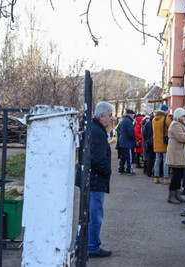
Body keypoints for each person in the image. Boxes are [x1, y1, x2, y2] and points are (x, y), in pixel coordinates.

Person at [76, 101, 115, 257]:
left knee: (87, 215)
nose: (112, 119)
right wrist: (107, 171)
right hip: (95, 180)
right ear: (101, 116)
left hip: (90, 179)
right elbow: (97, 159)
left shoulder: (94, 129)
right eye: (110, 115)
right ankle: (91, 247)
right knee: (94, 217)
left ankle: (81, 245)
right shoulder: (97, 132)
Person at [166, 108, 185, 204]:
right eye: (183, 116)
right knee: (176, 176)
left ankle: (177, 195)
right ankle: (171, 196)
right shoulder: (175, 125)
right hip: (176, 154)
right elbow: (182, 137)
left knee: (178, 175)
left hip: (179, 154)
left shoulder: (179, 124)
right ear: (178, 116)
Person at [152, 104, 172, 184]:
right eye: (168, 110)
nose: (169, 111)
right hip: (164, 143)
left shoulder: (154, 119)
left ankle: (156, 177)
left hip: (156, 142)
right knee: (165, 161)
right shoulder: (166, 119)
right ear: (165, 111)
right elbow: (171, 128)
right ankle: (166, 177)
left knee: (157, 160)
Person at [118, 109, 136, 175]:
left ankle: (121, 168)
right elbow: (131, 133)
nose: (133, 116)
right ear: (130, 114)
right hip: (128, 142)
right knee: (129, 157)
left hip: (123, 142)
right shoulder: (128, 121)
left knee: (123, 157)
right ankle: (129, 170)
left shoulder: (124, 120)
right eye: (133, 115)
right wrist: (134, 139)